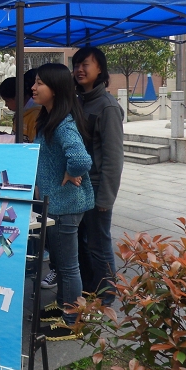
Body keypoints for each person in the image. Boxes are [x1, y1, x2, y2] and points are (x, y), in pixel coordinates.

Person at [31, 63, 94, 341]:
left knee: (68, 266)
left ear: (55, 89)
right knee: (59, 262)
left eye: (39, 83)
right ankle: (63, 305)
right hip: (56, 204)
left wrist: (71, 172)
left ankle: (72, 321)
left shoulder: (63, 123)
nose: (33, 87)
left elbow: (80, 159)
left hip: (66, 205)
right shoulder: (49, 118)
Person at [72, 46, 124, 306]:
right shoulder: (78, 101)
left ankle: (107, 294)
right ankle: (89, 288)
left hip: (95, 188)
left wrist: (106, 198)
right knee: (81, 242)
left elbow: (114, 157)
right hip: (77, 187)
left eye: (86, 65)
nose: (79, 70)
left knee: (98, 243)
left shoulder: (107, 107)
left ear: (100, 69)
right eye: (76, 65)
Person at [0, 69, 41, 142]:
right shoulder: (20, 113)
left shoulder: (36, 115)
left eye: (7, 101)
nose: (6, 105)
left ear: (17, 97)